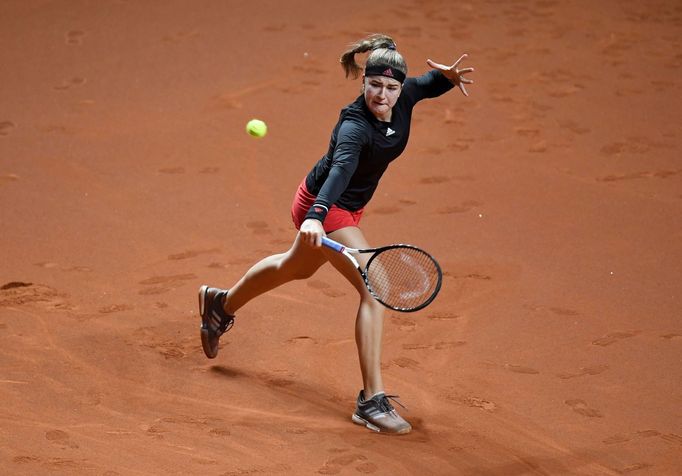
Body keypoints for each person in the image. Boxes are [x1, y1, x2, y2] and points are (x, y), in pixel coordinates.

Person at [198, 33, 473, 435]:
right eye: (374, 85)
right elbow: (341, 170)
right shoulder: (353, 128)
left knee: (295, 268)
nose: (382, 94)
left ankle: (221, 304)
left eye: (391, 87)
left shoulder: (406, 94)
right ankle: (371, 401)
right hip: (325, 206)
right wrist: (316, 216)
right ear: (362, 82)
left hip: (342, 207)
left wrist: (445, 78)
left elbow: (426, 85)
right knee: (374, 289)